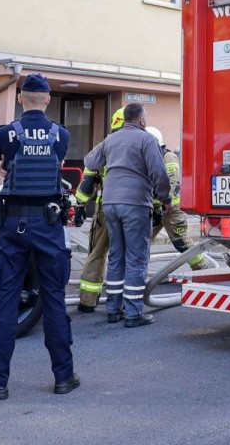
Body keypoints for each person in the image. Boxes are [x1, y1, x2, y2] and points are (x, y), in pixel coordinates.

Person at [0, 74, 78, 400]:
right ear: (47, 99)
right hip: (49, 225)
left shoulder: (6, 133)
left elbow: (6, 164)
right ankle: (64, 377)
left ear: (19, 99)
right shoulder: (61, 134)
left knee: (4, 303)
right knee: (54, 299)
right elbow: (52, 163)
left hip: (14, 226)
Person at [83, 103, 170, 327]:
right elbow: (159, 172)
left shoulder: (110, 140)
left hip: (110, 203)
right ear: (142, 120)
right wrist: (165, 198)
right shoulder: (147, 139)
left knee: (116, 256)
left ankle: (113, 309)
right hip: (135, 203)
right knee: (136, 258)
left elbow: (90, 162)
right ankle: (133, 313)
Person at [72, 107, 125, 314]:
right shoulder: (139, 144)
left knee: (97, 253)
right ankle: (121, 303)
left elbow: (87, 182)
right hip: (132, 208)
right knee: (126, 256)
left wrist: (80, 206)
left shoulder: (103, 147)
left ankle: (88, 300)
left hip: (105, 209)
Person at [145, 126, 218, 271]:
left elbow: (173, 181)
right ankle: (139, 270)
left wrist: (167, 201)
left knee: (181, 242)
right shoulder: (149, 158)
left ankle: (202, 269)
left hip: (170, 209)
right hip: (153, 208)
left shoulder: (167, 156)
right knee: (142, 242)